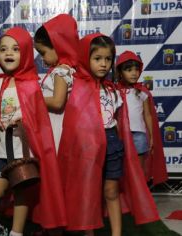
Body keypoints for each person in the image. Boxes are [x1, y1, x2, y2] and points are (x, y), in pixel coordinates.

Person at [58, 33, 160, 236]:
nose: (103, 64)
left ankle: (116, 233)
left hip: (112, 142)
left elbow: (121, 121)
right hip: (87, 147)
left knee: (111, 191)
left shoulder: (113, 90)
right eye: (97, 58)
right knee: (88, 191)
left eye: (108, 59)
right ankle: (89, 233)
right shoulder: (76, 87)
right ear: (85, 58)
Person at [0, 27, 66, 236]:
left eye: (15, 49)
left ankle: (16, 232)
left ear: (24, 53)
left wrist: (27, 119)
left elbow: (40, 118)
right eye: (3, 49)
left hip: (24, 150)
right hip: (0, 151)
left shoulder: (33, 85)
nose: (8, 53)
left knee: (22, 193)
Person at [115, 50, 167, 185]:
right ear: (120, 72)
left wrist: (150, 136)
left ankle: (139, 198)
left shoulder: (142, 91)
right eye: (128, 70)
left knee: (138, 170)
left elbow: (148, 115)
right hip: (120, 135)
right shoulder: (114, 90)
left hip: (139, 135)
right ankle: (125, 198)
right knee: (121, 169)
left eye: (136, 70)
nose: (134, 73)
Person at [34, 13, 79, 153]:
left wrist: (31, 98)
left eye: (43, 53)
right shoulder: (66, 69)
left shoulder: (61, 71)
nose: (42, 58)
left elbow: (57, 102)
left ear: (57, 45)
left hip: (57, 132)